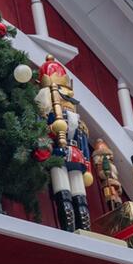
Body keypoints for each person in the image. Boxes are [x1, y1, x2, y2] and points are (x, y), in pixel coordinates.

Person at [34, 55, 94, 232]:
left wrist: (88, 167)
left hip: (74, 154)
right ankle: (68, 223)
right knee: (63, 190)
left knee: (79, 193)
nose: (66, 98)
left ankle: (84, 225)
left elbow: (83, 142)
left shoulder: (77, 121)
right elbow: (40, 134)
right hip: (57, 154)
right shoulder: (45, 116)